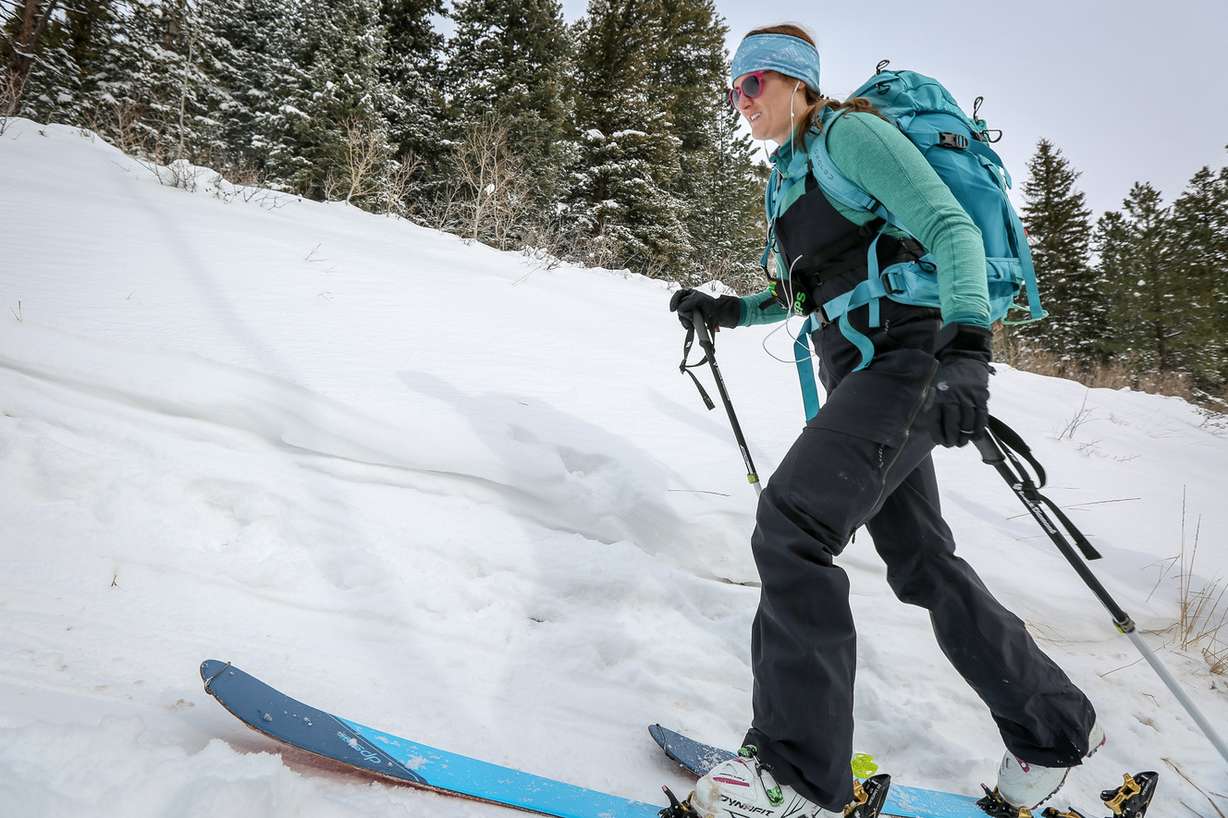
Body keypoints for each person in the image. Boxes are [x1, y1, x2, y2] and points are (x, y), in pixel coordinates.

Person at [668, 23, 1102, 818]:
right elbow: (819, 288)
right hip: (866, 370)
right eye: (732, 89)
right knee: (921, 563)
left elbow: (951, 230)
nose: (741, 102)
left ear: (796, 82)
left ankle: (793, 777)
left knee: (793, 524)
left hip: (911, 359)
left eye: (752, 84)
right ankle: (1053, 733)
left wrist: (968, 346)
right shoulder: (790, 174)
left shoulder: (850, 134)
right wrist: (732, 310)